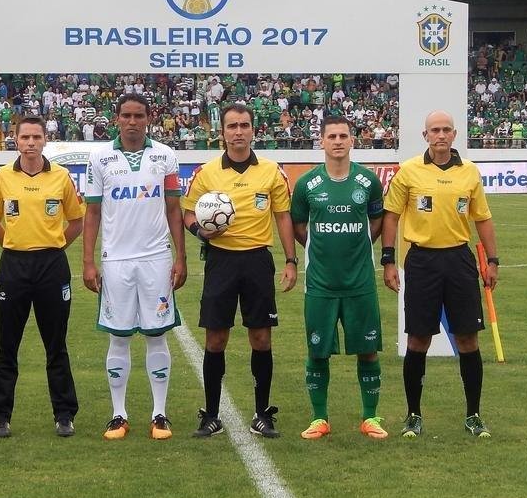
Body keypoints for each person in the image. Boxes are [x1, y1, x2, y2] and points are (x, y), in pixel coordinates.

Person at [381, 110, 499, 439]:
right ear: (426, 135)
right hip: (421, 261)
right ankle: (413, 415)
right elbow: (391, 216)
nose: (441, 135)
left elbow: (483, 219)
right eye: (435, 130)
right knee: (418, 338)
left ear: (455, 134)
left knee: (467, 338)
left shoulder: (470, 172)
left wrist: (493, 260)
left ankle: (474, 414)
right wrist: (388, 260)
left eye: (446, 129)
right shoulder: (409, 171)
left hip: (459, 259)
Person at [182, 103, 297, 439]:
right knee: (216, 338)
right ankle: (211, 415)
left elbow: (283, 217)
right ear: (223, 133)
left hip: (258, 260)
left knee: (261, 337)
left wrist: (290, 261)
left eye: (244, 125)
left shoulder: (272, 171)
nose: (238, 132)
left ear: (253, 130)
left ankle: (262, 414)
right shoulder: (206, 173)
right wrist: (201, 232)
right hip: (221, 260)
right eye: (232, 126)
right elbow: (187, 213)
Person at [82, 94, 187, 441]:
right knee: (119, 336)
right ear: (117, 118)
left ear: (148, 118)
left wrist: (180, 257)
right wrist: (88, 261)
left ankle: (160, 413)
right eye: (126, 115)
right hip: (116, 261)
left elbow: (174, 209)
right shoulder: (100, 158)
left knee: (157, 334)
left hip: (156, 258)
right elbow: (93, 212)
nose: (132, 121)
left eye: (138, 115)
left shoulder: (165, 156)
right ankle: (118, 414)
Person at [290, 116, 389, 441]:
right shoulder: (307, 184)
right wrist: (318, 247)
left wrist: (359, 245)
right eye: (331, 136)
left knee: (368, 350)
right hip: (320, 284)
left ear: (352, 140)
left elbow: (378, 220)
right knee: (317, 351)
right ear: (322, 141)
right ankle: (320, 418)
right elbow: (299, 226)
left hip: (360, 282)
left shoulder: (367, 181)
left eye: (343, 135)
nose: (337, 141)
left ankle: (370, 417)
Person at [0, 116, 85, 438]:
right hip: (13, 266)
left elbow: (76, 221)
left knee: (56, 345)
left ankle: (64, 414)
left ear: (45, 140)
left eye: (36, 137)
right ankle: (0, 416)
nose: (30, 142)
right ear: (15, 140)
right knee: (7, 345)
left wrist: (54, 246)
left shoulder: (61, 177)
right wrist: (14, 247)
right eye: (25, 137)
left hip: (51, 267)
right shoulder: (2, 176)